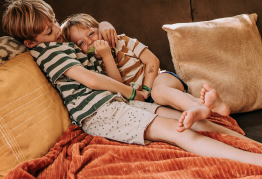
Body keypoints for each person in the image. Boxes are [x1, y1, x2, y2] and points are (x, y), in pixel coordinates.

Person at [2, 0, 262, 178]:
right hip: (101, 112)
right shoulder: (49, 53)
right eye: (48, 31)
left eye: (54, 22)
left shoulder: (63, 44)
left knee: (190, 119)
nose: (56, 31)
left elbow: (100, 48)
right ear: (31, 42)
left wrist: (106, 29)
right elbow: (92, 80)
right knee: (177, 130)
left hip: (119, 102)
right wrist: (132, 92)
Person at [60, 13, 230, 132]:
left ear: (100, 30)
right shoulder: (94, 66)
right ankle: (217, 109)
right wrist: (106, 56)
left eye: (91, 33)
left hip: (160, 79)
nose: (90, 41)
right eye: (82, 42)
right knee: (165, 107)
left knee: (159, 91)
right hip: (148, 102)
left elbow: (152, 61)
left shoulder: (123, 41)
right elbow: (117, 85)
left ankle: (195, 108)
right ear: (78, 50)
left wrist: (147, 90)